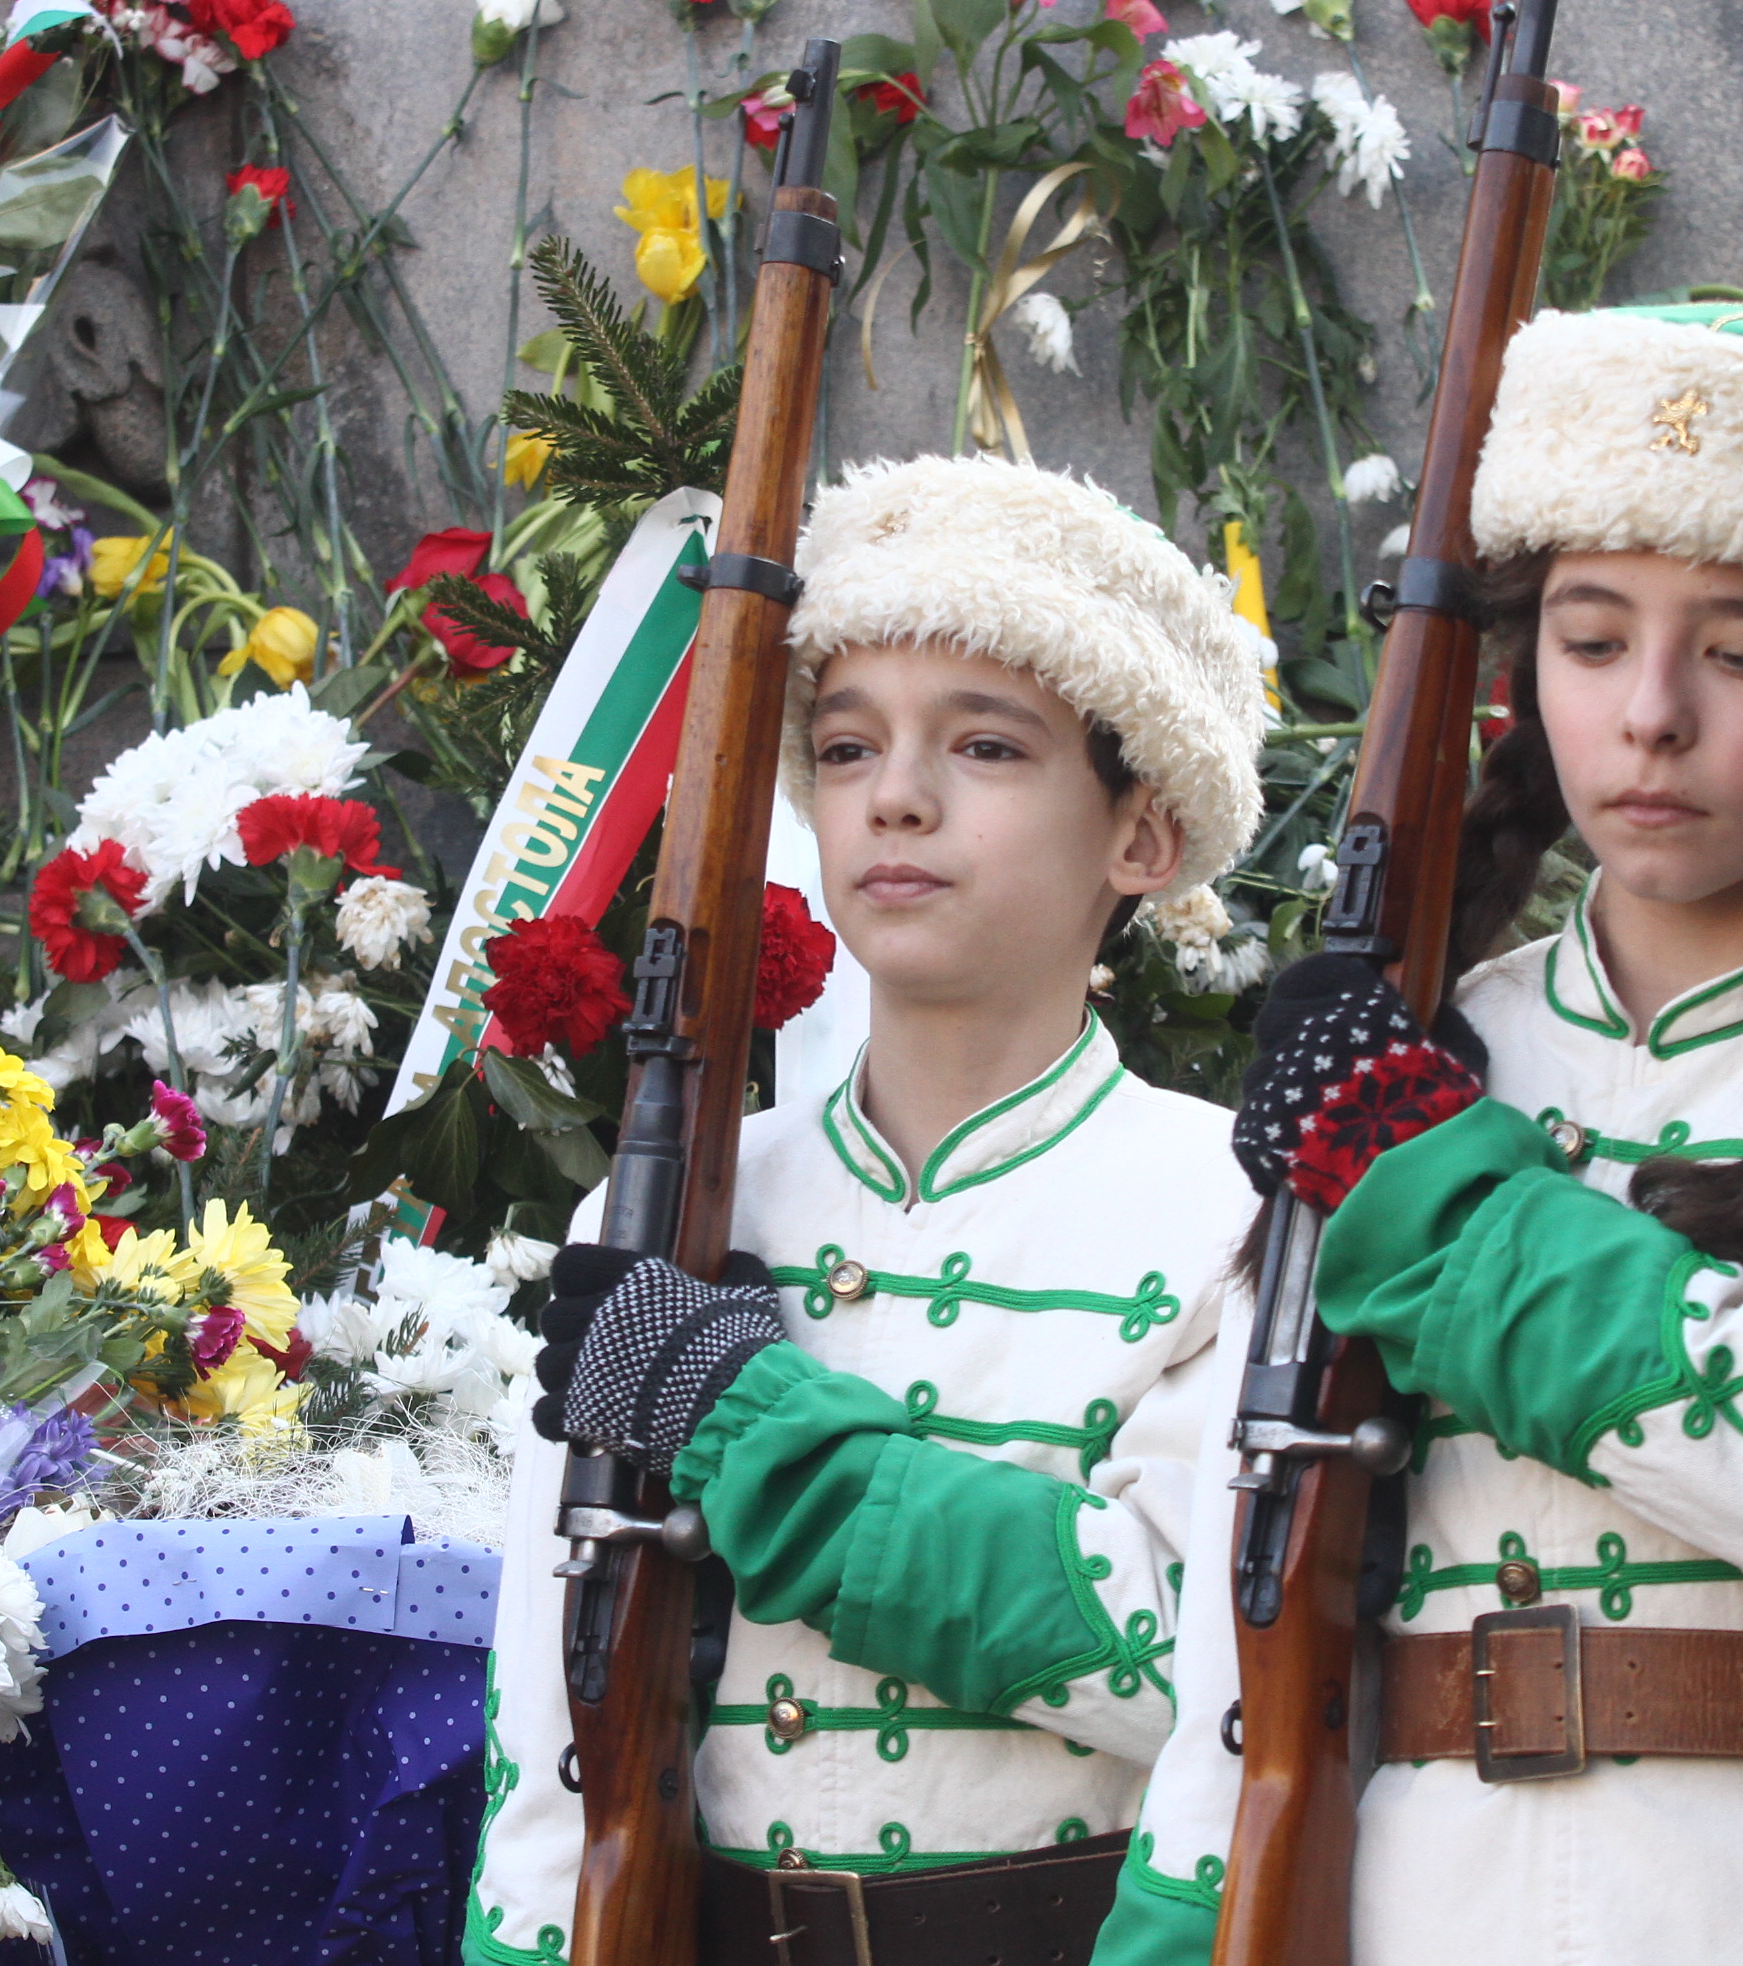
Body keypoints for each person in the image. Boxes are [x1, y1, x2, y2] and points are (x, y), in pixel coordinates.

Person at [1111, 303, 1743, 1966]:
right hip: (1418, 1906)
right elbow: (1252, 1538)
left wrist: (1432, 1196)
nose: (1652, 712)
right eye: (1591, 641)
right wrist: (1184, 1907)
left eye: (1741, 653)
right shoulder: (1427, 1053)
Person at [470, 456, 1276, 1966]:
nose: (895, 795)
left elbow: (1203, 1671)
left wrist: (764, 1434)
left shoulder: (1235, 1212)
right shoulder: (662, 1214)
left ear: (1145, 834)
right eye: (846, 748)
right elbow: (551, 1718)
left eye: (986, 744)